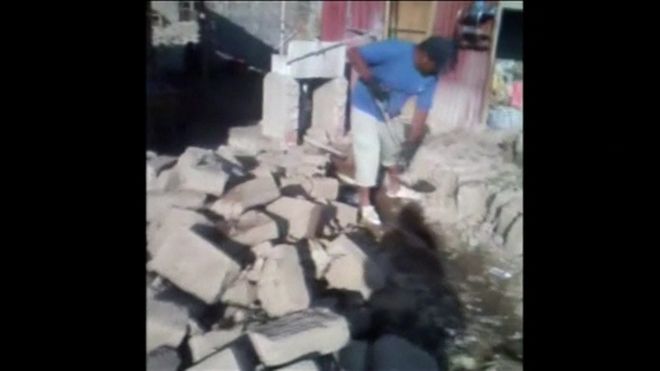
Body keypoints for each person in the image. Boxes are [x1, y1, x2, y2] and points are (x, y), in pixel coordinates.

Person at [347, 36, 458, 226]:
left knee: (392, 153)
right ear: (424, 56)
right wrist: (369, 78)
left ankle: (395, 188)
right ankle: (365, 204)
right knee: (369, 153)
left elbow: (423, 108)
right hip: (365, 106)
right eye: (435, 66)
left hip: (390, 113)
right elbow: (353, 53)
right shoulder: (396, 49)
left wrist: (413, 139)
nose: (436, 71)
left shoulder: (431, 77)